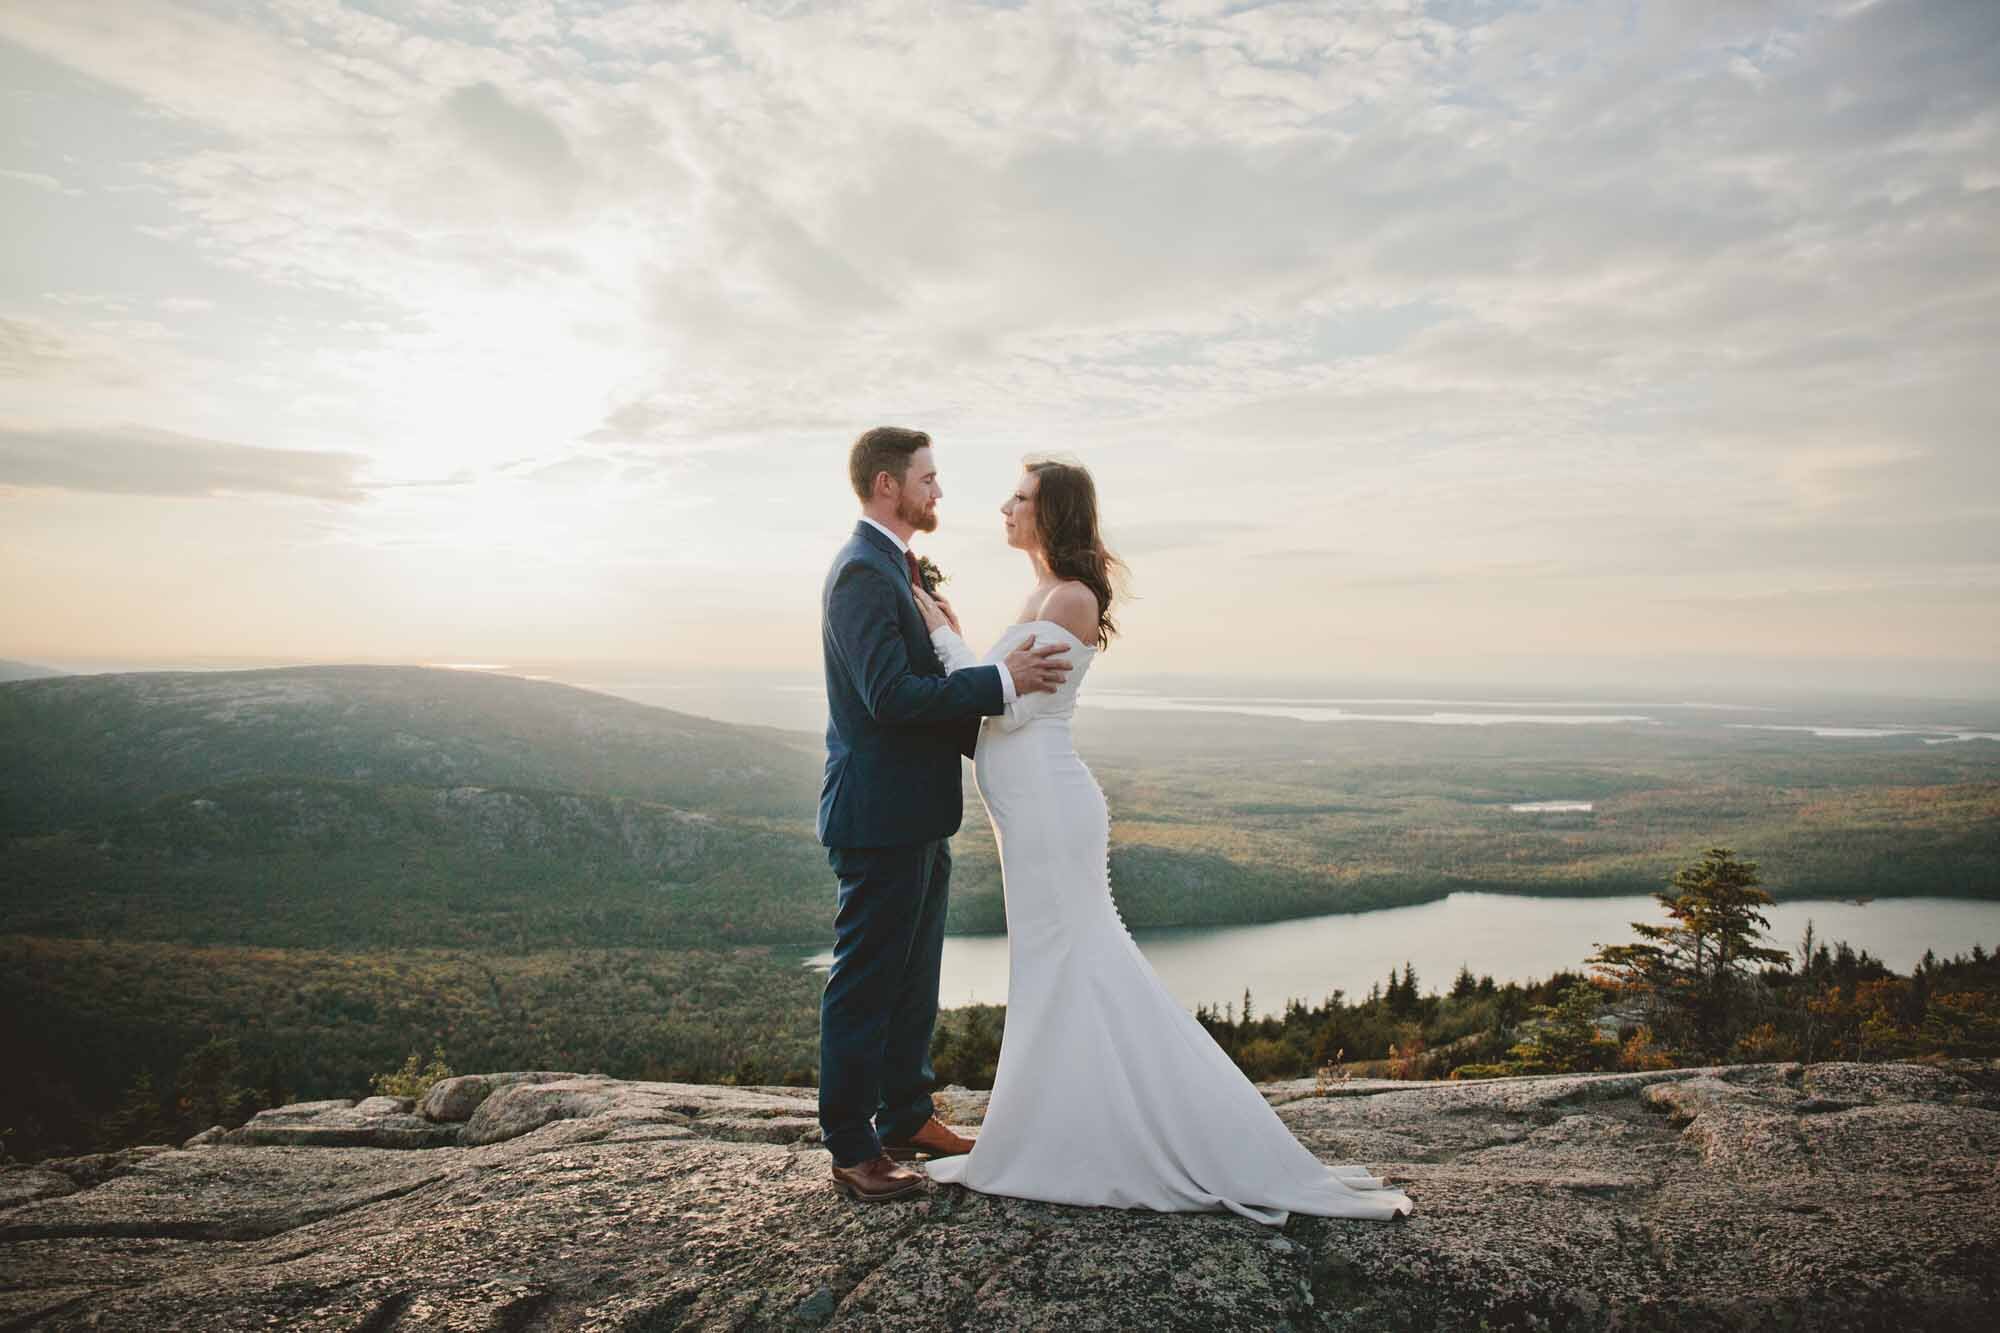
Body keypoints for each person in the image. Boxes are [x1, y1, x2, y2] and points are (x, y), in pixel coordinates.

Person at [913, 456, 1415, 1224]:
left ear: (1053, 513)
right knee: (1056, 965)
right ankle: (1062, 1126)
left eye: (1020, 498)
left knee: (1078, 958)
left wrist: (946, 638)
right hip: (1030, 809)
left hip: (1049, 808)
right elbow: (1001, 691)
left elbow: (1007, 708)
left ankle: (1126, 1134)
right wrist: (961, 645)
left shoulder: (1072, 598)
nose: (1004, 508)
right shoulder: (1042, 592)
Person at [816, 426, 1073, 1202]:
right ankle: (853, 1147)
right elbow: (889, 697)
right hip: (877, 814)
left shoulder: (898, 569)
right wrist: (1001, 680)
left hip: (918, 811)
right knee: (866, 980)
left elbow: (920, 687)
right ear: (888, 485)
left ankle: (907, 1112)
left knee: (913, 975)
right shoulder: (862, 572)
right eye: (928, 478)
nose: (939, 491)